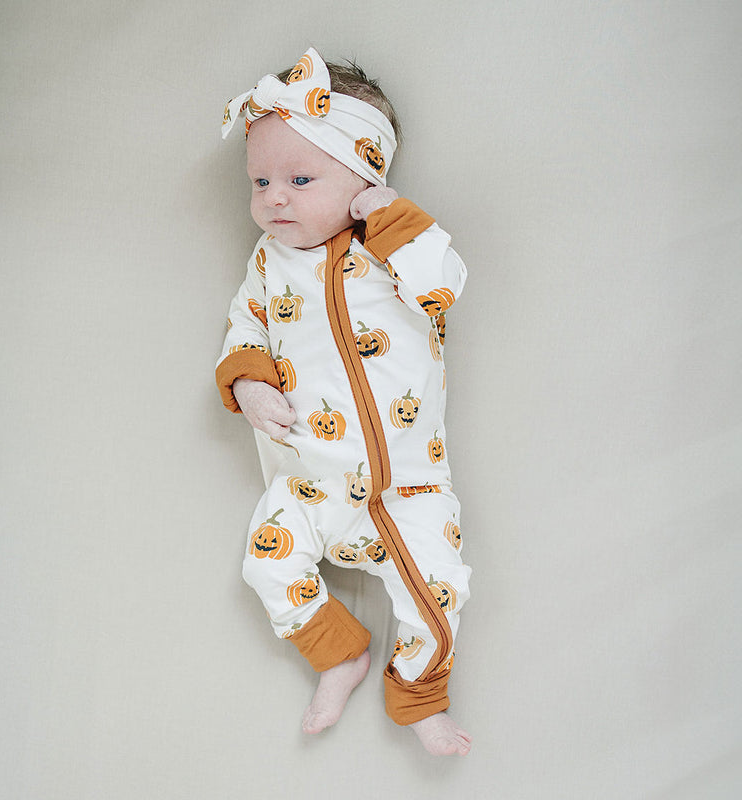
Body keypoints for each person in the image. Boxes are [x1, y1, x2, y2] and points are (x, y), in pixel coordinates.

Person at [215, 47, 472, 756]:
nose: (274, 198)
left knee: (439, 595)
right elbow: (245, 326)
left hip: (406, 486)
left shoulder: (397, 242)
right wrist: (248, 382)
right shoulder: (268, 262)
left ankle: (418, 695)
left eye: (300, 179)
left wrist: (391, 218)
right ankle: (339, 654)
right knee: (266, 565)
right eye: (261, 180)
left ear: (367, 175)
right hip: (310, 481)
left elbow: (441, 287)